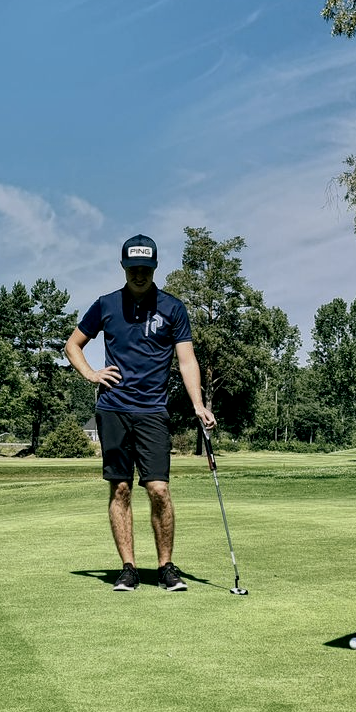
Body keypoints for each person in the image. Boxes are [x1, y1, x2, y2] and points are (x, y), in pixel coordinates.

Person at [65, 235, 215, 592]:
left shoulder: (172, 308)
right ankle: (129, 568)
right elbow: (73, 345)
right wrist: (92, 374)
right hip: (113, 409)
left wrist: (197, 403)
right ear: (123, 267)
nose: (139, 275)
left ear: (154, 268)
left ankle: (165, 568)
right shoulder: (105, 305)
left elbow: (186, 359)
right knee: (120, 489)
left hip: (152, 411)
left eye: (145, 269)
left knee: (159, 490)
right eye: (133, 268)